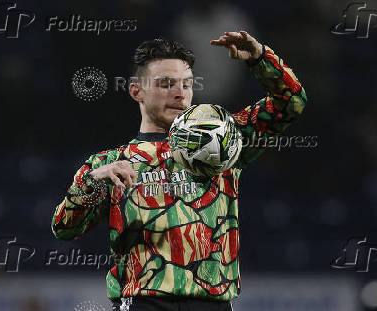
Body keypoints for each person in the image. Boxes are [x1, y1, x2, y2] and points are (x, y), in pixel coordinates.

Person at [51, 31, 307, 311]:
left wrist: (260, 58)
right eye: (166, 84)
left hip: (213, 304)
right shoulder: (109, 163)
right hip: (144, 303)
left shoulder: (223, 140)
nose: (179, 93)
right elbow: (64, 229)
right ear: (136, 91)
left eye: (187, 84)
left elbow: (291, 102)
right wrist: (92, 181)